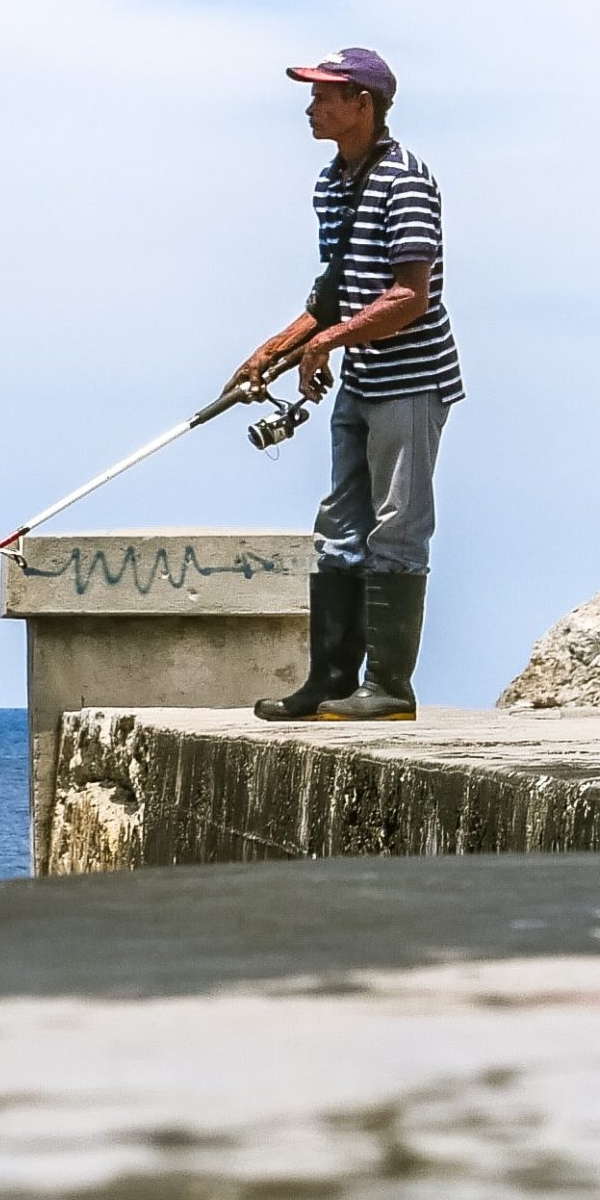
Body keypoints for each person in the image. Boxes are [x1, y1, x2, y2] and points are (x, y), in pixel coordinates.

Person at [231, 48, 461, 722]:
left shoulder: (405, 181)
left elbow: (410, 296)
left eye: (323, 96)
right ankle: (330, 679)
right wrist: (275, 350)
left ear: (362, 104)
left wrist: (327, 342)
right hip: (361, 378)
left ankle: (388, 687)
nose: (311, 108)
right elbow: (332, 294)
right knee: (339, 526)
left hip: (410, 380)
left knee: (398, 525)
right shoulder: (331, 185)